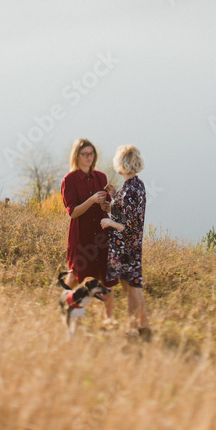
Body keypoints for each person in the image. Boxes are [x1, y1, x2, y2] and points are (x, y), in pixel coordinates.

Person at [60, 138, 115, 322]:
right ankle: (66, 308)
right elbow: (73, 213)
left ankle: (108, 320)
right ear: (76, 156)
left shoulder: (101, 177)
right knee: (77, 274)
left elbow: (106, 209)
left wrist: (108, 203)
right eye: (84, 154)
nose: (88, 157)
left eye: (91, 154)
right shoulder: (69, 180)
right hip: (81, 234)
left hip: (101, 234)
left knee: (107, 277)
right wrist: (91, 200)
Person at [100, 145, 149, 339]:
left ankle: (132, 328)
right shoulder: (136, 185)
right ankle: (143, 324)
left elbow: (130, 227)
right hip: (132, 246)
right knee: (132, 284)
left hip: (125, 247)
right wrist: (112, 202)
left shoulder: (129, 190)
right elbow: (128, 211)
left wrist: (110, 221)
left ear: (121, 163)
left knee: (132, 286)